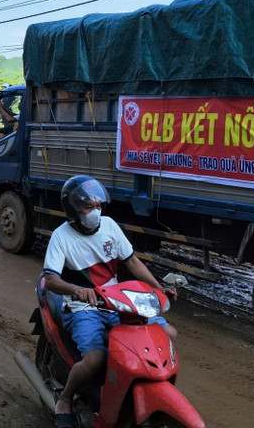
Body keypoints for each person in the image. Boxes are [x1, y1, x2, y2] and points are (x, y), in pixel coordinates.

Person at [42, 174, 177, 428]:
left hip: (116, 302)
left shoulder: (110, 226)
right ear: (73, 210)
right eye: (88, 207)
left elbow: (132, 261)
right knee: (95, 359)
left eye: (98, 206)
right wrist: (77, 289)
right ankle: (66, 399)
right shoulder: (61, 237)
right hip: (83, 307)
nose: (95, 212)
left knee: (167, 333)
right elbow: (50, 280)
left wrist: (160, 288)